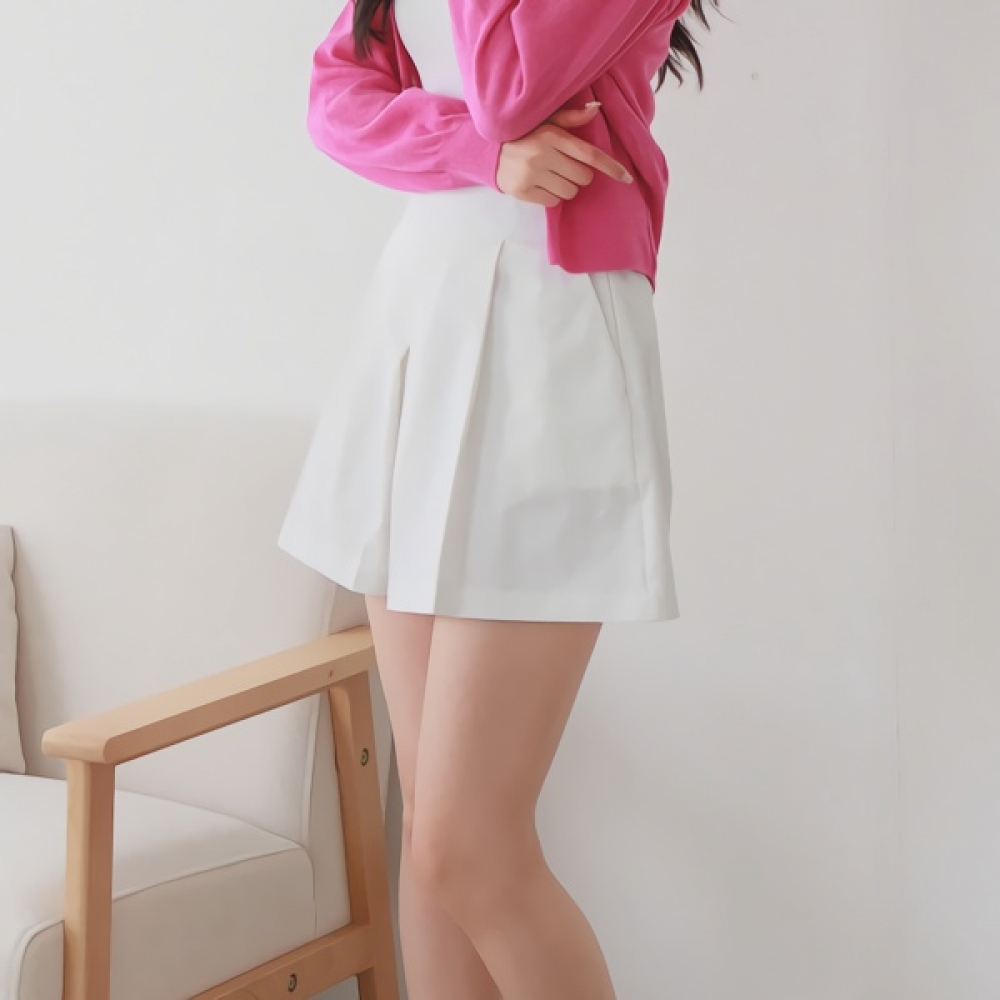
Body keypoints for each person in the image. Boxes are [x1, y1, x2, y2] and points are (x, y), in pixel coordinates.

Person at [278, 1, 717, 996]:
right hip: (423, 314)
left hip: (547, 333)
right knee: (431, 848)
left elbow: (509, 84)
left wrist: (490, 134)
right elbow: (338, 92)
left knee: (467, 845)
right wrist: (476, 152)